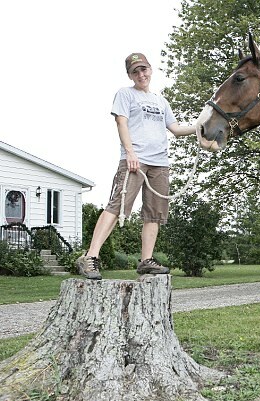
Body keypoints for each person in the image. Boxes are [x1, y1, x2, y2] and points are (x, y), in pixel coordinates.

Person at [77, 52, 198, 280]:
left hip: (160, 164)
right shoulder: (125, 94)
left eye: (144, 69)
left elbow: (175, 129)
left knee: (154, 214)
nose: (141, 74)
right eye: (135, 71)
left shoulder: (161, 102)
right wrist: (130, 153)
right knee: (117, 206)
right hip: (135, 160)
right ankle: (90, 257)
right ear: (130, 75)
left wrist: (199, 126)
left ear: (150, 70)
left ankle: (146, 261)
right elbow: (121, 123)